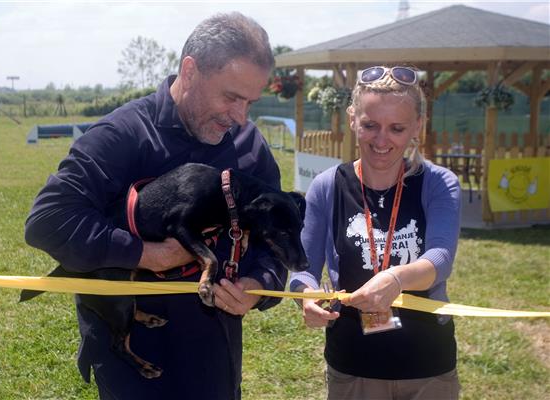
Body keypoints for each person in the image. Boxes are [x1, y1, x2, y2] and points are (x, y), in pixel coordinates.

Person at [25, 12, 287, 400]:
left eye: (250, 101)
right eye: (231, 97)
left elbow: (275, 235)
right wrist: (147, 255)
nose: (240, 117)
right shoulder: (123, 134)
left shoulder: (248, 146)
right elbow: (48, 221)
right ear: (191, 70)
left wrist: (261, 285)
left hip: (214, 354)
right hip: (132, 356)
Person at [291, 66, 462, 399]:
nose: (382, 140)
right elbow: (303, 268)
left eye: (397, 128)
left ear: (417, 127)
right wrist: (306, 297)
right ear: (353, 119)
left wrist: (396, 279)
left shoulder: (438, 183)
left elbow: (440, 259)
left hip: (428, 364)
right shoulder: (327, 186)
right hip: (354, 363)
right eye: (370, 125)